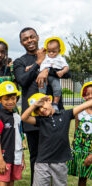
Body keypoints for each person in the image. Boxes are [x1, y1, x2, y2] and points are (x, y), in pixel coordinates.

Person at [13, 27, 64, 185]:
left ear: (37, 37)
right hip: (33, 118)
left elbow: (64, 73)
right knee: (36, 155)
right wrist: (38, 63)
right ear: (21, 43)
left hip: (52, 115)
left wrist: (46, 70)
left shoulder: (52, 55)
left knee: (56, 155)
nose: (29, 41)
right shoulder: (19, 61)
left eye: (31, 37)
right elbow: (22, 81)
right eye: (25, 39)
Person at [21, 93, 92, 186]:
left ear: (49, 100)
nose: (41, 110)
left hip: (60, 162)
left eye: (42, 105)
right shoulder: (40, 120)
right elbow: (24, 117)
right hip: (42, 162)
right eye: (37, 110)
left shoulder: (65, 114)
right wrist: (34, 105)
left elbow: (85, 105)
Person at [0, 82, 25, 185]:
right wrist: (0, 160)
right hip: (4, 157)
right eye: (6, 99)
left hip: (16, 156)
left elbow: (19, 138)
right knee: (2, 182)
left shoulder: (17, 116)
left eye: (13, 98)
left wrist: (22, 158)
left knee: (11, 182)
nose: (10, 102)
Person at [67, 81, 92, 185]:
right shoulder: (79, 112)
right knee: (82, 178)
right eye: (87, 94)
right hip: (82, 149)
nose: (90, 96)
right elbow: (77, 132)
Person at [38, 37, 68, 110]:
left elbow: (66, 67)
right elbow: (38, 63)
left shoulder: (60, 58)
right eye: (49, 51)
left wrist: (62, 71)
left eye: (53, 51)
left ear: (59, 50)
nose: (51, 53)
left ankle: (55, 104)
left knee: (57, 89)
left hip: (54, 77)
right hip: (43, 77)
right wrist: (29, 67)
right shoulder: (45, 57)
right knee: (41, 89)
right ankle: (43, 102)